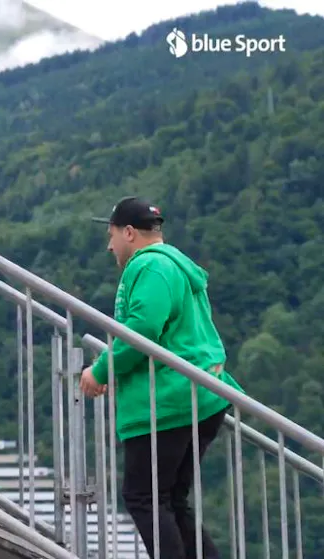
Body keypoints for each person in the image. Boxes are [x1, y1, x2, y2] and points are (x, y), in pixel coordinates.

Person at [80, 196, 245, 559]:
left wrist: (102, 369)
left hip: (169, 400)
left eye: (111, 236)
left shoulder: (151, 267)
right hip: (200, 393)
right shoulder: (174, 265)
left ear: (129, 233)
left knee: (144, 497)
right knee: (168, 499)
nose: (109, 246)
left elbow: (143, 329)